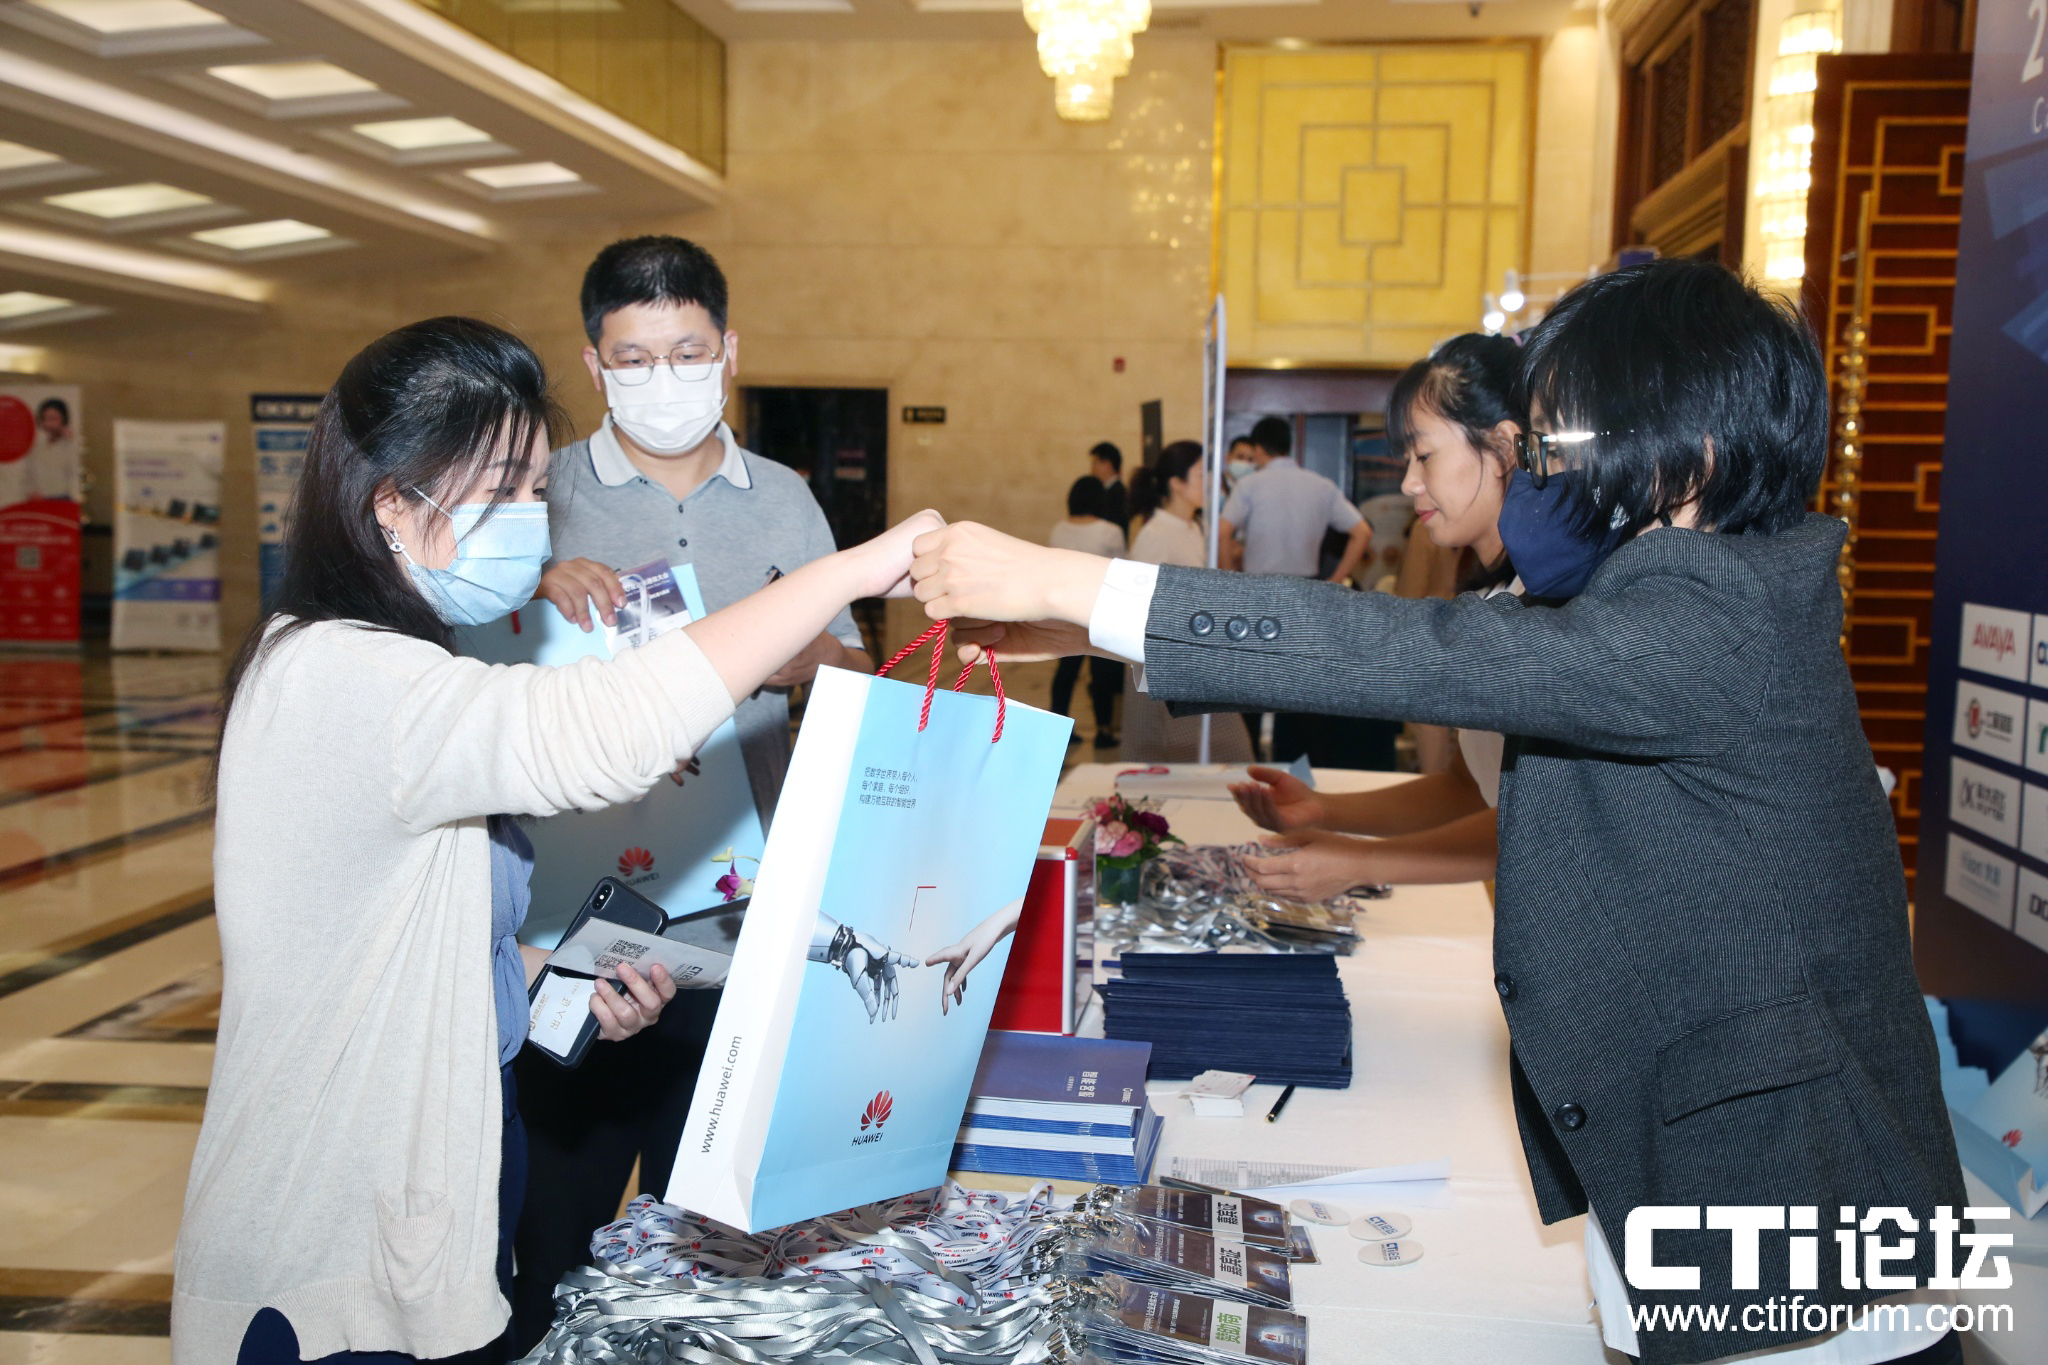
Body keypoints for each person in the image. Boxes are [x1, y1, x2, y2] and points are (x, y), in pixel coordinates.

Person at [906, 260, 1969, 1365]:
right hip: (1714, 1177)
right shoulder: (1705, 596)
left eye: (1559, 445)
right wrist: (1088, 630)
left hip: (1792, 1210)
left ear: (1685, 456)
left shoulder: (1721, 613)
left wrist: (1071, 584)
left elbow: (1418, 651)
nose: (1540, 474)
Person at [178, 315, 931, 1365]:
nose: (529, 520)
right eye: (499, 488)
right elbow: (603, 735)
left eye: (537, 488)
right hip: (331, 1248)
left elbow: (405, 938)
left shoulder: (388, 660)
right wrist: (850, 572)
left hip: (427, 1213)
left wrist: (550, 977)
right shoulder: (342, 674)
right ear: (390, 501)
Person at [510, 237, 875, 1345]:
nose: (660, 378)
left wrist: (797, 656)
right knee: (553, 1239)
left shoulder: (785, 500)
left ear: (728, 353)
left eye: (686, 352)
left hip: (739, 915)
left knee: (709, 1251)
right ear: (593, 363)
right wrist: (532, 585)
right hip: (567, 922)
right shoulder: (539, 494)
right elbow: (465, 649)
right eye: (633, 358)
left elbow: (857, 665)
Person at [1230, 333, 1523, 899]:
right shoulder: (1494, 590)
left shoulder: (1563, 608)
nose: (1409, 482)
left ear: (1505, 446)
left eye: (1425, 456)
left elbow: (1538, 823)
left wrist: (1360, 861)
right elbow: (1469, 789)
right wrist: (1323, 810)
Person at [1221, 416, 1382, 767]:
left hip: (1256, 594)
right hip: (1305, 596)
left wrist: (1229, 577)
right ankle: (1297, 772)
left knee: (1249, 689)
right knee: (1297, 697)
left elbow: (1223, 530)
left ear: (1259, 450)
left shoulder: (1250, 485)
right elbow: (1362, 532)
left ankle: (1248, 765)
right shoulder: (1320, 485)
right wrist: (1336, 579)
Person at [1119, 440, 1251, 762]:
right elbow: (1138, 608)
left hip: (1196, 660)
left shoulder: (1195, 527)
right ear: (1176, 483)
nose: (1210, 481)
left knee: (1221, 753)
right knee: (1162, 755)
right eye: (1200, 473)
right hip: (1165, 663)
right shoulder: (1156, 534)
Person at [1048, 476, 1126, 748]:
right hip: (1100, 610)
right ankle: (1104, 731)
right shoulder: (1111, 531)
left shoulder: (1059, 529)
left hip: (1065, 611)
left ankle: (1059, 728)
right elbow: (1122, 573)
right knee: (1101, 672)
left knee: (1066, 672)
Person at [1090, 440, 1128, 530]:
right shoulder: (1110, 491)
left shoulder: (1116, 494)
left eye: (1095, 463)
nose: (1092, 469)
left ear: (1107, 465)